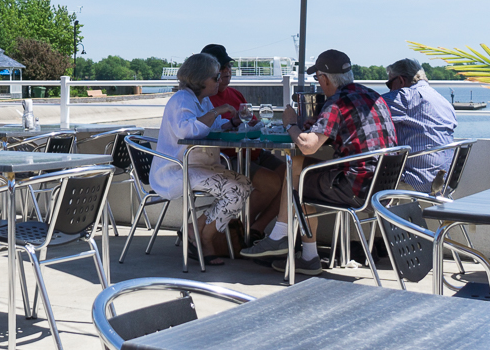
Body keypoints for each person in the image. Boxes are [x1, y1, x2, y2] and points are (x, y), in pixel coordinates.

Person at [241, 48, 397, 274]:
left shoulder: (337, 102)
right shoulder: (374, 97)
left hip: (355, 187)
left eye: (318, 78)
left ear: (324, 79)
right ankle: (307, 256)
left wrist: (290, 124)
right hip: (382, 185)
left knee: (296, 172)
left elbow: (308, 145)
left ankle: (280, 237)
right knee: (297, 168)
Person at [151, 53, 282, 265]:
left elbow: (209, 126)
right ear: (202, 79)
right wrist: (218, 111)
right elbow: (188, 130)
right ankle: (206, 237)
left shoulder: (199, 100)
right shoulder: (181, 99)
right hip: (178, 170)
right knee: (235, 189)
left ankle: (197, 227)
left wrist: (230, 122)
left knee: (244, 184)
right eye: (216, 77)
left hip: (196, 165)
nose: (220, 80)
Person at [201, 43, 287, 215]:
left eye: (229, 66)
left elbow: (251, 123)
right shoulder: (204, 100)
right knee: (271, 182)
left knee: (290, 177)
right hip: (227, 158)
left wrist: (255, 125)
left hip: (252, 152)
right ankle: (234, 230)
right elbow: (204, 133)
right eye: (222, 67)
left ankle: (255, 230)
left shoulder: (236, 94)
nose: (227, 71)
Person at [382, 58, 458, 193]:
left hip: (418, 181)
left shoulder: (405, 97)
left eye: (389, 84)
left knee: (363, 179)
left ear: (401, 80)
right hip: (446, 179)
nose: (389, 89)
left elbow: (367, 108)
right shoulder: (443, 100)